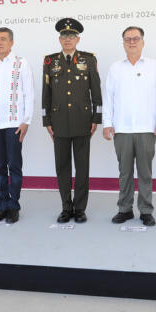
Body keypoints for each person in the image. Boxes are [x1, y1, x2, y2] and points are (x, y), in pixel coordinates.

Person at [103, 26, 156, 227]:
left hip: (146, 128)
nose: (132, 42)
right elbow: (108, 98)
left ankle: (146, 211)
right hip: (121, 129)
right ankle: (125, 209)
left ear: (143, 42)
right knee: (125, 172)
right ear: (123, 42)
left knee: (145, 172)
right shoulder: (115, 68)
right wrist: (107, 123)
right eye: (127, 39)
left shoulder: (153, 66)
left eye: (135, 38)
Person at [42, 18, 102, 223]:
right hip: (58, 122)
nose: (67, 40)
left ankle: (80, 209)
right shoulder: (50, 61)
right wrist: (46, 120)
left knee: (82, 167)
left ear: (78, 39)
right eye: (64, 36)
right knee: (62, 167)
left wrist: (97, 117)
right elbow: (46, 94)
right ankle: (66, 207)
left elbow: (96, 91)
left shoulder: (88, 59)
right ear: (59, 39)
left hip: (83, 120)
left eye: (71, 36)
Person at [0, 27, 34, 224]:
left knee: (14, 167)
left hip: (14, 124)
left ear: (11, 42)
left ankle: (14, 207)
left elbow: (29, 93)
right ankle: (2, 206)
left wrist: (26, 121)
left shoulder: (21, 64)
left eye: (3, 39)